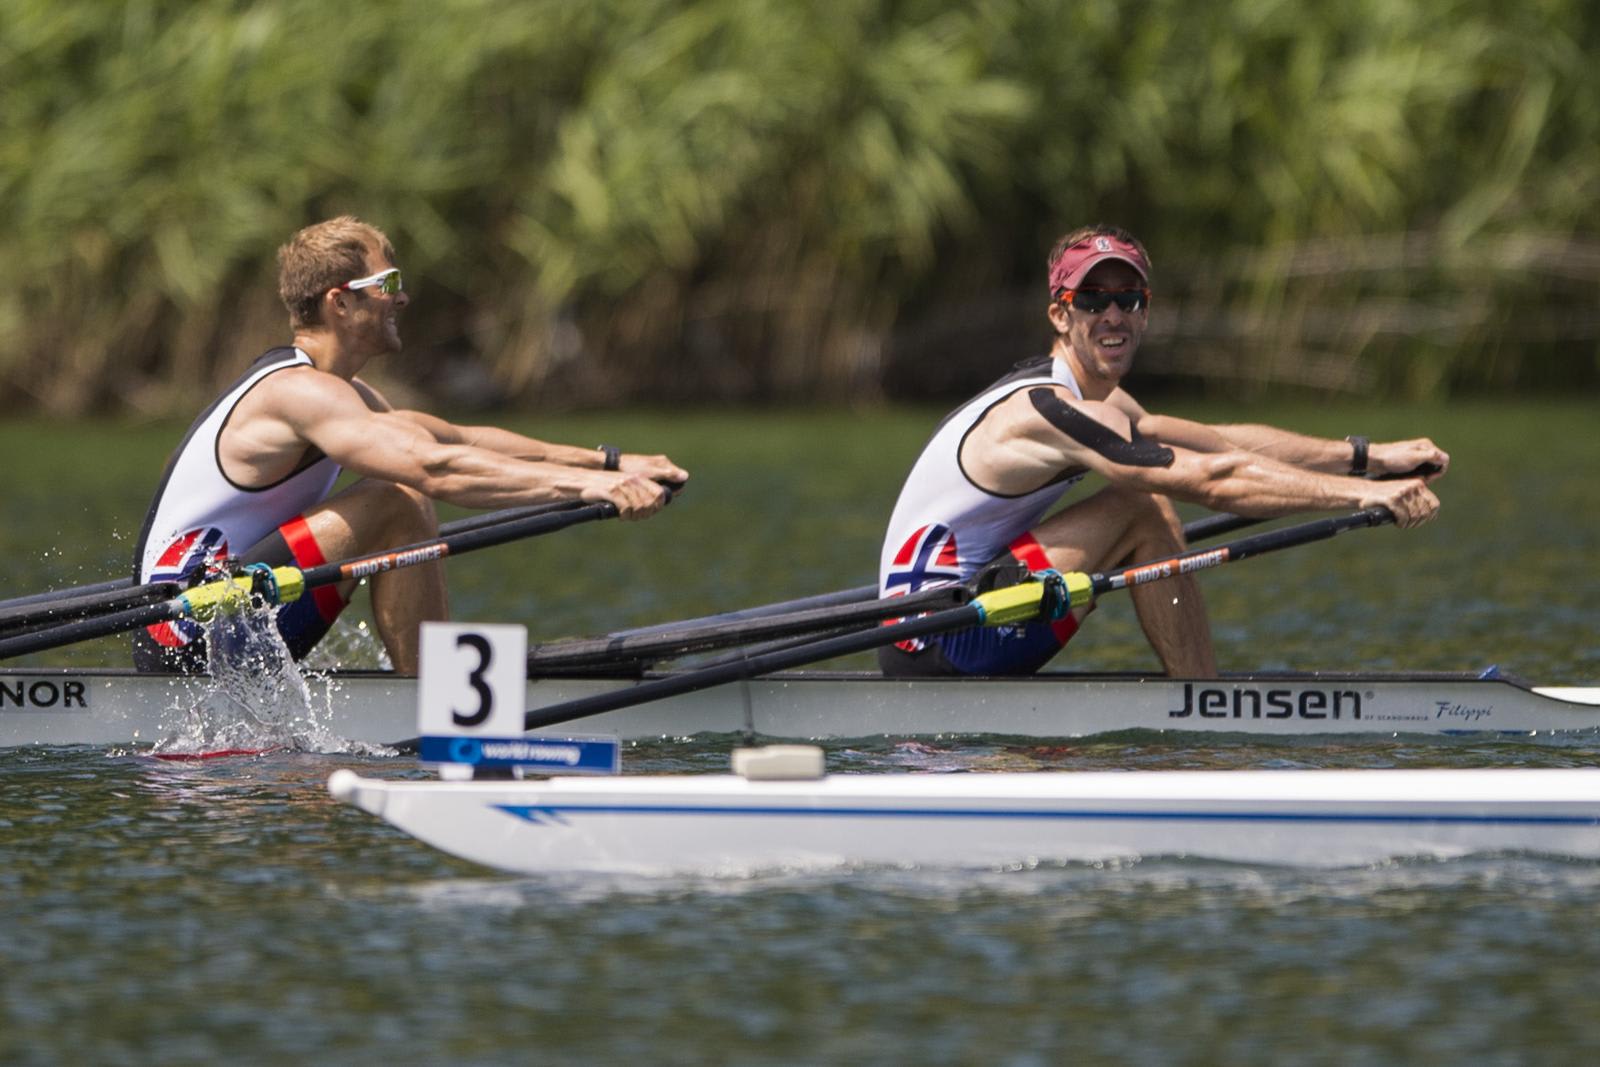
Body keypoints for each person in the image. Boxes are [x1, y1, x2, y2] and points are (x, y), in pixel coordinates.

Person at [877, 224, 1448, 679]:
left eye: (1128, 298)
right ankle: (1201, 705)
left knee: (1145, 501)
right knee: (1142, 505)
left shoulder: (1102, 403)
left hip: (969, 612)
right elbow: (1214, 480)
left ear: (1145, 311)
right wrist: (1363, 496)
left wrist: (1369, 458)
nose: (1113, 315)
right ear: (1060, 314)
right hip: (935, 636)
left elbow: (1222, 445)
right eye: (1092, 299)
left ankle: (1198, 697)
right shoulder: (1044, 410)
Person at [132, 216, 687, 674]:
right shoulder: (297, 392)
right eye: (389, 283)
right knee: (398, 498)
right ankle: (431, 689)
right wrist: (591, 488)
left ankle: (428, 683)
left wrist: (610, 462)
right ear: (340, 303)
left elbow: (461, 439)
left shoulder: (347, 395)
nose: (403, 298)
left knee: (402, 489)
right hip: (185, 630)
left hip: (238, 604)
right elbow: (435, 469)